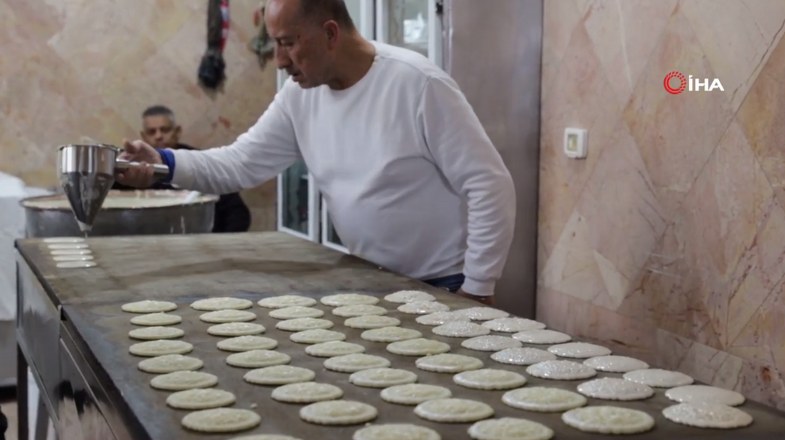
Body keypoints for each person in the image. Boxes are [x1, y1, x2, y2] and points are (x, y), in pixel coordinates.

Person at [117, 0, 515, 304]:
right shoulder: (300, 96)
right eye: (275, 44)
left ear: (330, 33)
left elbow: (489, 185)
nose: (280, 61)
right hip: (371, 280)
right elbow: (239, 164)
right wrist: (163, 163)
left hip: (442, 284)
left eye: (288, 43)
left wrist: (477, 288)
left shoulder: (417, 84)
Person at [114, 105, 252, 233]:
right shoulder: (134, 167)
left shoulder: (199, 163)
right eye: (151, 132)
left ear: (177, 132)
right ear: (143, 136)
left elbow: (238, 213)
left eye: (165, 130)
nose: (158, 136)